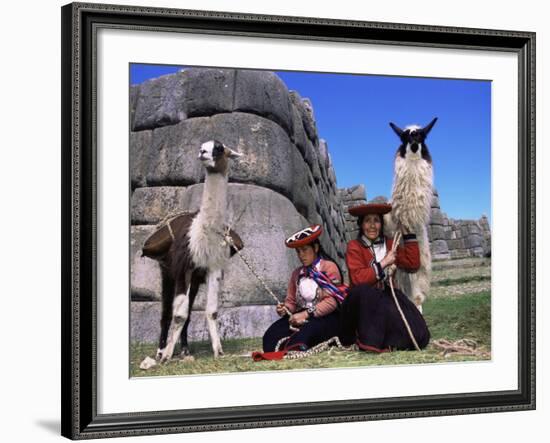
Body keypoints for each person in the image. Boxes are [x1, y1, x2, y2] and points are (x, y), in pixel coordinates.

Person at [340, 203, 430, 352]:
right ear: (361, 224)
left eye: (376, 220)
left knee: (419, 333)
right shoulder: (354, 246)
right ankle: (370, 341)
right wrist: (384, 263)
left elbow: (412, 264)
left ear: (381, 224)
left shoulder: (389, 245)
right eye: (367, 221)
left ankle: (390, 340)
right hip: (361, 302)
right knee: (364, 291)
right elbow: (358, 279)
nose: (372, 226)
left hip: (386, 297)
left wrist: (407, 233)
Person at [262, 224, 346, 353]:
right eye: (298, 251)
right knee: (270, 335)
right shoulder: (297, 274)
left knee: (307, 332)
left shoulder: (328, 267)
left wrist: (306, 314)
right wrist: (285, 309)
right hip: (301, 315)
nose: (301, 255)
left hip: (325, 316)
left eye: (305, 249)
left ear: (316, 248)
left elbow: (332, 302)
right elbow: (291, 302)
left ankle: (297, 347)